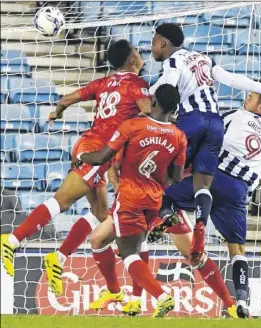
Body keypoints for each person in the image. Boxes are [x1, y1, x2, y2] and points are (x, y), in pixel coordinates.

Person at [0, 39, 151, 297]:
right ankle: (11, 241)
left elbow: (69, 97)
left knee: (101, 213)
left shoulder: (104, 82)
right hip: (98, 152)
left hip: (92, 147)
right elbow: (148, 115)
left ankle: (57, 259)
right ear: (132, 59)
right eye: (137, 50)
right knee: (63, 200)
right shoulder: (137, 85)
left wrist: (58, 110)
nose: (139, 52)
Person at [149, 23, 261, 266]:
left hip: (191, 119)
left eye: (153, 42)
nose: (153, 47)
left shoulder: (173, 62)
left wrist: (143, 97)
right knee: (202, 181)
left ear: (162, 42)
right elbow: (233, 79)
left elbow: (166, 87)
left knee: (156, 173)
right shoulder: (205, 59)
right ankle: (199, 229)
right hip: (214, 123)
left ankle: (160, 218)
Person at [150, 92, 261, 318]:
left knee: (164, 194)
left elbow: (208, 133)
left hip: (211, 177)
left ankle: (167, 216)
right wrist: (248, 170)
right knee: (237, 249)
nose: (244, 100)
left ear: (260, 107)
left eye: (250, 98)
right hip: (238, 191)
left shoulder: (236, 115)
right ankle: (242, 300)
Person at [72, 84, 187, 318]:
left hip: (129, 198)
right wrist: (155, 182)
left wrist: (80, 155)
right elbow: (176, 177)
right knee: (101, 240)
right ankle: (130, 298)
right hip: (153, 200)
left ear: (153, 102)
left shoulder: (132, 126)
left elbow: (101, 157)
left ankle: (161, 296)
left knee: (128, 253)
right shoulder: (179, 135)